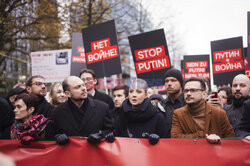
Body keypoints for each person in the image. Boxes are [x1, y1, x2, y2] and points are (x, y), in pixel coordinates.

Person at [171, 77, 235, 143]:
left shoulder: (219, 114)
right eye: (186, 90)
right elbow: (175, 138)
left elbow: (231, 139)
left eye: (193, 90)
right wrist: (202, 135)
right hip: (189, 152)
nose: (188, 93)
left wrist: (218, 140)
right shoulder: (178, 114)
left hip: (214, 152)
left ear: (204, 94)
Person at [52, 76, 113, 140]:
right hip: (70, 149)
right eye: (77, 87)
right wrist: (58, 137)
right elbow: (52, 135)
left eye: (83, 85)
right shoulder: (58, 112)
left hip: (94, 149)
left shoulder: (102, 107)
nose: (83, 88)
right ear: (68, 94)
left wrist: (101, 135)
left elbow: (110, 131)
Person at [114, 78, 167, 145]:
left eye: (138, 92)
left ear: (146, 95)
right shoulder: (121, 115)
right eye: (131, 91)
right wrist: (111, 137)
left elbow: (165, 143)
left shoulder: (157, 117)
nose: (134, 95)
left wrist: (157, 141)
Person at [158, 67, 186, 138]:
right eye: (166, 81)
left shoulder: (188, 103)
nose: (169, 84)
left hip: (185, 144)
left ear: (181, 83)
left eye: (173, 80)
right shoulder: (161, 105)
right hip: (165, 145)